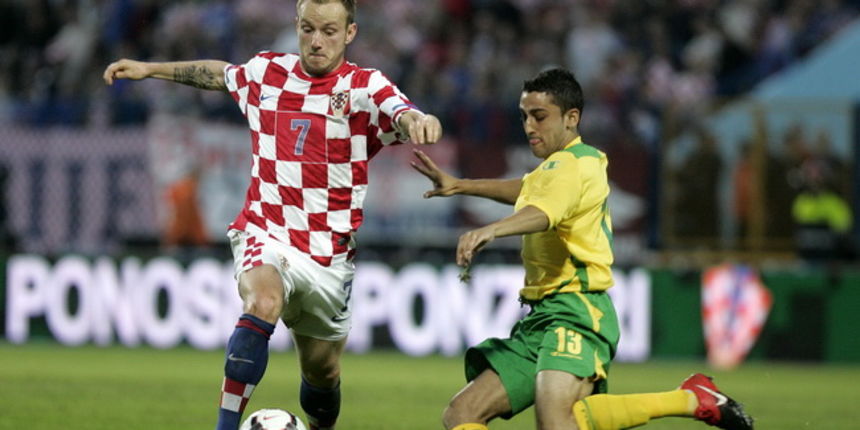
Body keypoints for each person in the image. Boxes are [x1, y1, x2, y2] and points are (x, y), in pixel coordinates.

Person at [103, 1, 442, 430]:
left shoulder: (363, 86)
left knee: (322, 373)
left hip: (328, 256)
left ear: (350, 33)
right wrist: (150, 69)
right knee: (262, 301)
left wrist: (420, 120)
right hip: (267, 229)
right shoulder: (267, 72)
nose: (316, 41)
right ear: (296, 25)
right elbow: (219, 74)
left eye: (329, 31)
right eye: (308, 28)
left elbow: (401, 111)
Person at [412, 68, 753, 430]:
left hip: (576, 310)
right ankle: (693, 397)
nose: (529, 126)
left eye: (539, 116)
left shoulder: (580, 163)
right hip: (540, 317)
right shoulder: (556, 168)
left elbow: (544, 212)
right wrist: (460, 185)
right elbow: (526, 189)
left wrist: (491, 229)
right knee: (462, 414)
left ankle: (689, 399)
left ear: (571, 117)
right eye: (524, 116)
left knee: (555, 422)